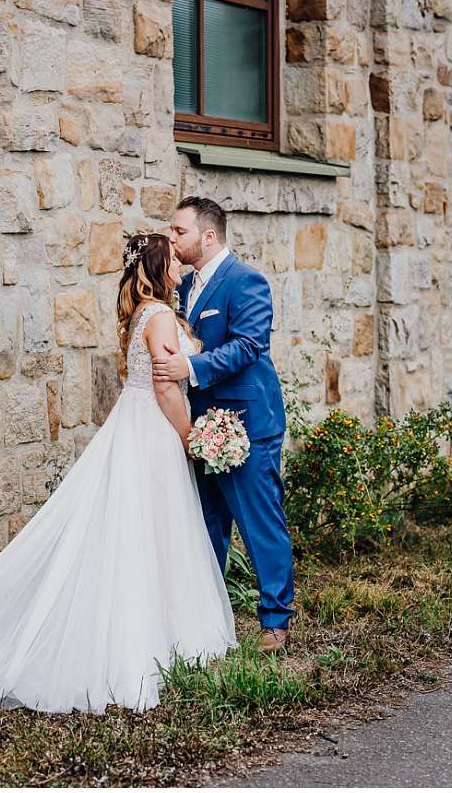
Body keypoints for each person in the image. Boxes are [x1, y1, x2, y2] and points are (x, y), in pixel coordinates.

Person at [0, 233, 235, 714]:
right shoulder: (162, 316)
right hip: (152, 430)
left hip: (131, 427)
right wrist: (192, 437)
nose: (180, 264)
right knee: (156, 533)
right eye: (172, 259)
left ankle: (155, 630)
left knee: (129, 533)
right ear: (156, 265)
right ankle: (155, 640)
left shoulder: (140, 315)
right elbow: (167, 387)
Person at [157, 196, 295, 654]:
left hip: (247, 423)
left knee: (259, 523)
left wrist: (190, 368)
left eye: (179, 232)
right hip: (201, 426)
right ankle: (208, 621)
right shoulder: (186, 286)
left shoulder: (245, 281)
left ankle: (275, 621)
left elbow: (250, 345)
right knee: (206, 525)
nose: (172, 239)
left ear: (208, 235)